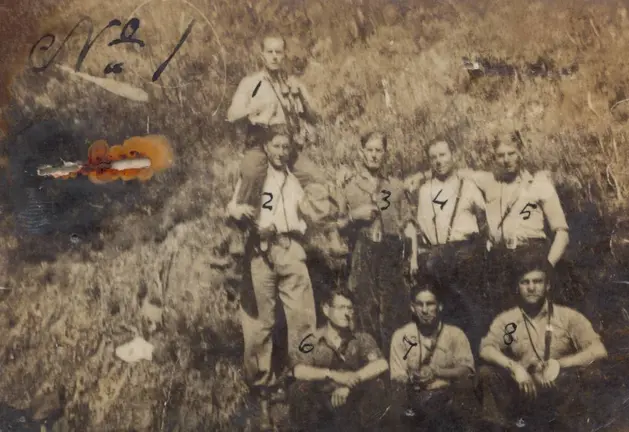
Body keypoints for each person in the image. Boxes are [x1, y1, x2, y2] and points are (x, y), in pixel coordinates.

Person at [227, 126, 317, 431]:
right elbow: (233, 206)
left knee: (302, 318)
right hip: (261, 253)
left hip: (291, 248)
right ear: (266, 147)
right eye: (276, 146)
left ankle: (301, 382)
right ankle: (262, 392)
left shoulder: (295, 180)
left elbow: (309, 214)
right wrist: (244, 215)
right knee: (261, 323)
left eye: (285, 147)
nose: (280, 152)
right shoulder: (256, 177)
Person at [478, 255, 608, 431]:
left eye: (537, 281)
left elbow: (598, 350)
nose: (531, 287)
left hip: (558, 390)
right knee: (486, 373)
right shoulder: (509, 321)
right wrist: (515, 367)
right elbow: (487, 348)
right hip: (523, 389)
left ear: (547, 285)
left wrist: (559, 364)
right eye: (525, 282)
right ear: (517, 287)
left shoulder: (567, 317)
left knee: (589, 374)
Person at [226, 32, 327, 220]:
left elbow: (315, 117)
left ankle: (311, 224)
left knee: (316, 178)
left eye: (278, 52)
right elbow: (231, 115)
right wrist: (253, 109)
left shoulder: (291, 83)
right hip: (260, 145)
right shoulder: (252, 83)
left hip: (288, 147)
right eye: (270, 52)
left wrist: (301, 97)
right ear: (262, 55)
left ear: (284, 55)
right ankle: (239, 222)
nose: (274, 57)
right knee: (251, 173)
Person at [407, 138, 488, 353]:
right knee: (443, 312)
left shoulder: (468, 186)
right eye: (433, 157)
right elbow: (421, 227)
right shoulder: (425, 190)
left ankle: (472, 358)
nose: (438, 161)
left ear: (453, 155)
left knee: (470, 311)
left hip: (465, 255)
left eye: (443, 155)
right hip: (438, 258)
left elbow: (484, 219)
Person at [338, 131, 415, 350]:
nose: (373, 155)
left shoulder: (395, 186)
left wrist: (414, 259)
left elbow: (408, 223)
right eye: (369, 150)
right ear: (361, 152)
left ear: (385, 153)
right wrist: (354, 216)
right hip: (362, 252)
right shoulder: (348, 186)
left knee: (394, 309)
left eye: (378, 150)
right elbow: (337, 224)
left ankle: (396, 359)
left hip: (391, 253)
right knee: (366, 308)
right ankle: (371, 358)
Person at [289, 286, 390, 431]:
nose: (347, 313)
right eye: (341, 307)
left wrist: (352, 381)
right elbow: (299, 370)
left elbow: (381, 364)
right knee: (299, 388)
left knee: (377, 386)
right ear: (326, 309)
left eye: (350, 308)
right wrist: (334, 375)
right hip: (321, 402)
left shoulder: (361, 338)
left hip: (352, 400)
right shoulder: (311, 340)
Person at [389, 279, 479, 431]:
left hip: (450, 401)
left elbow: (466, 371)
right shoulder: (402, 336)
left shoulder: (455, 334)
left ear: (440, 306)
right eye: (419, 304)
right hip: (417, 402)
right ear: (412, 307)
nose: (424, 310)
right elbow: (397, 377)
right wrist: (412, 377)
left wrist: (437, 372)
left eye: (430, 304)